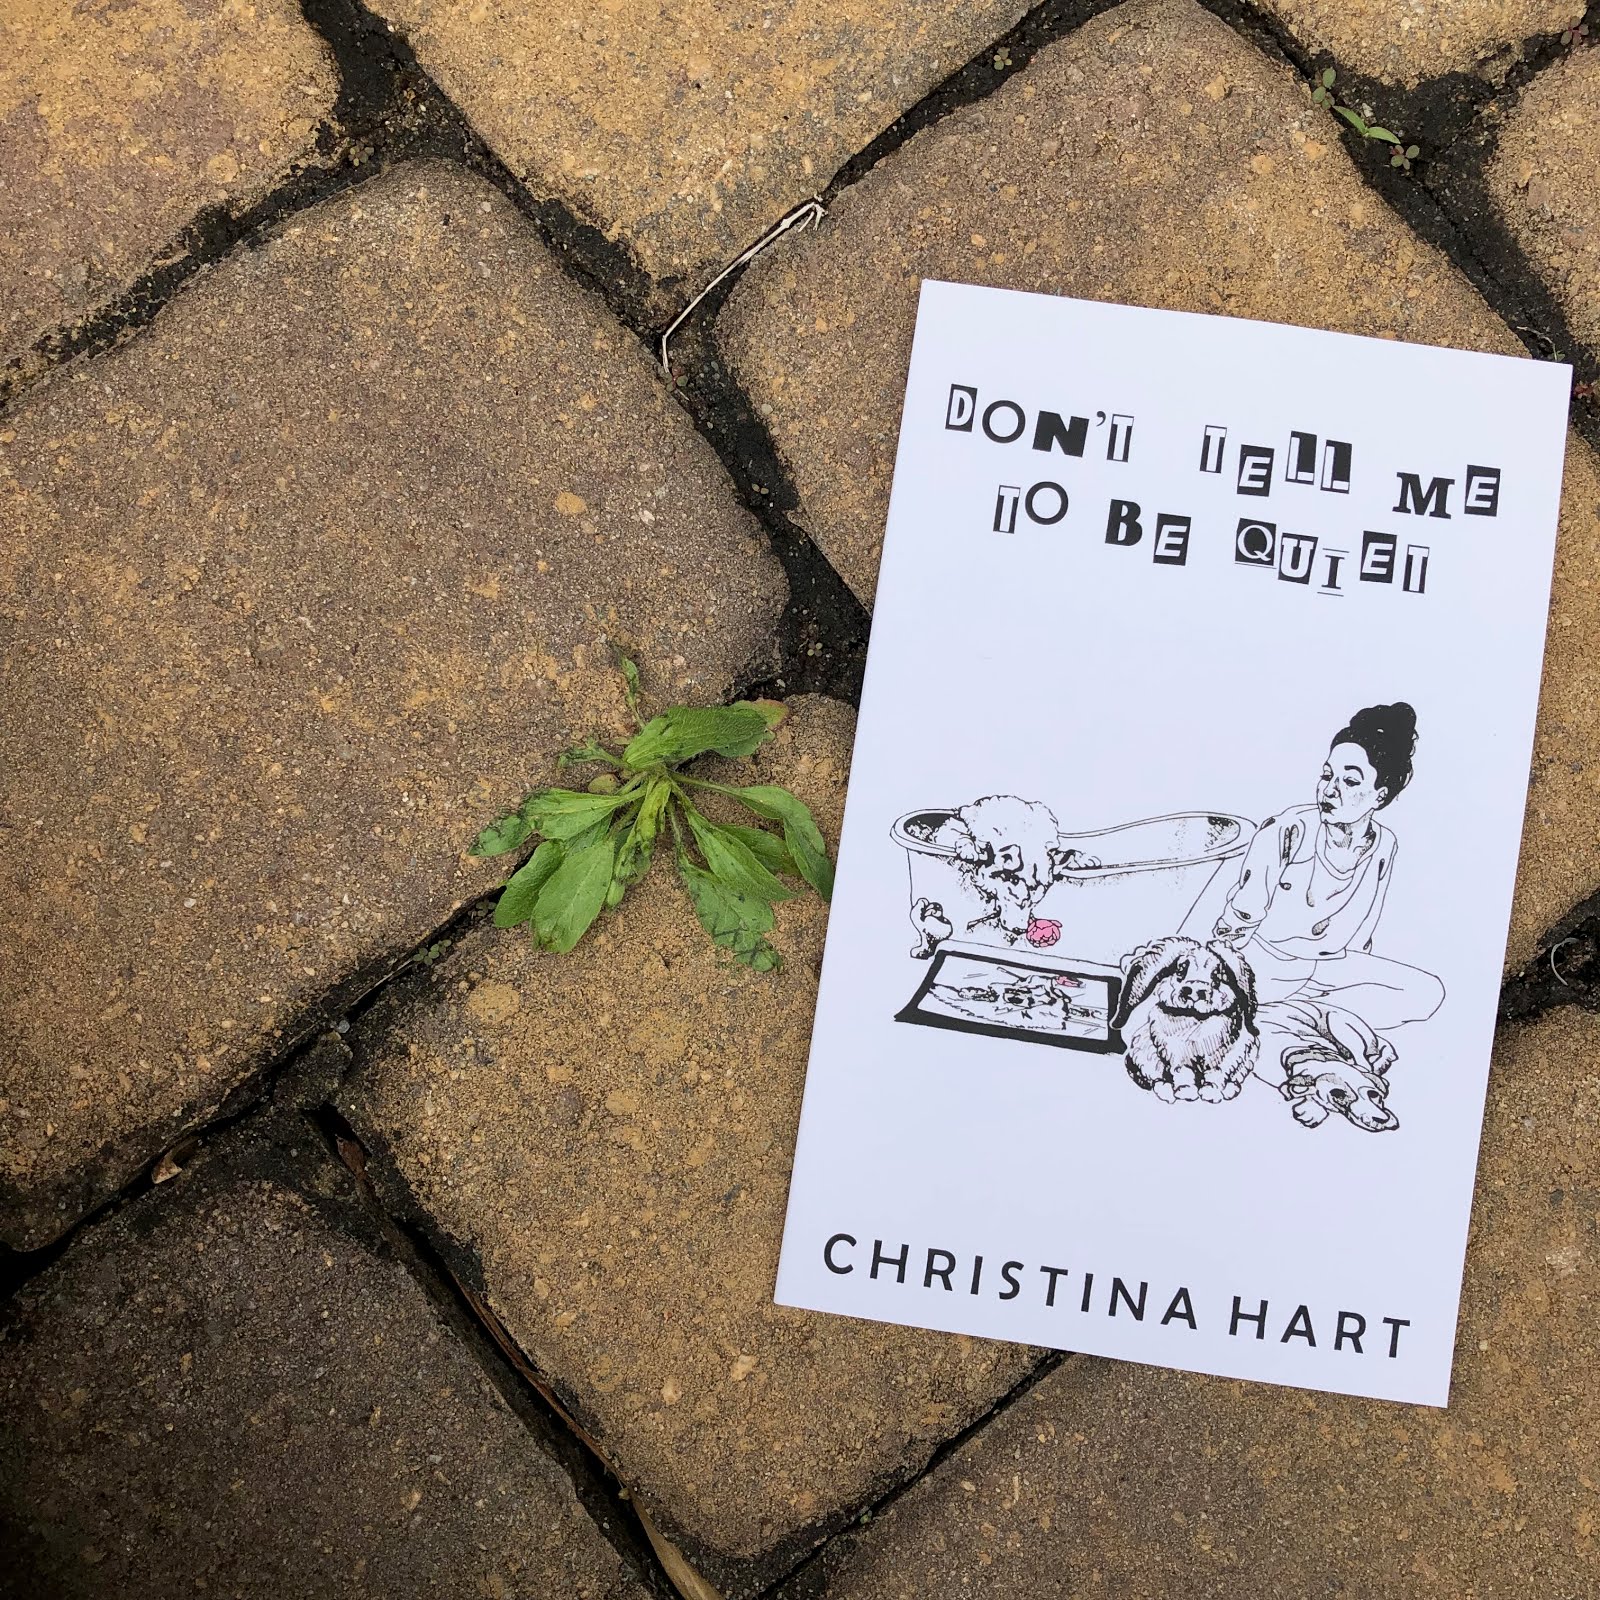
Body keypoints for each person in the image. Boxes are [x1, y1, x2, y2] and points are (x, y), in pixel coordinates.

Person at [1212, 702, 1443, 1032]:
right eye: (1326, 775)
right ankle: (1294, 1016)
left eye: (1350, 781)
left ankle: (1298, 1015)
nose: (1330, 790)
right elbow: (1242, 915)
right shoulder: (1288, 828)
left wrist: (1358, 970)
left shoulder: (1384, 846)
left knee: (1426, 993)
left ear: (1379, 796)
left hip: (1325, 970)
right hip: (1263, 964)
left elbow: (1364, 929)